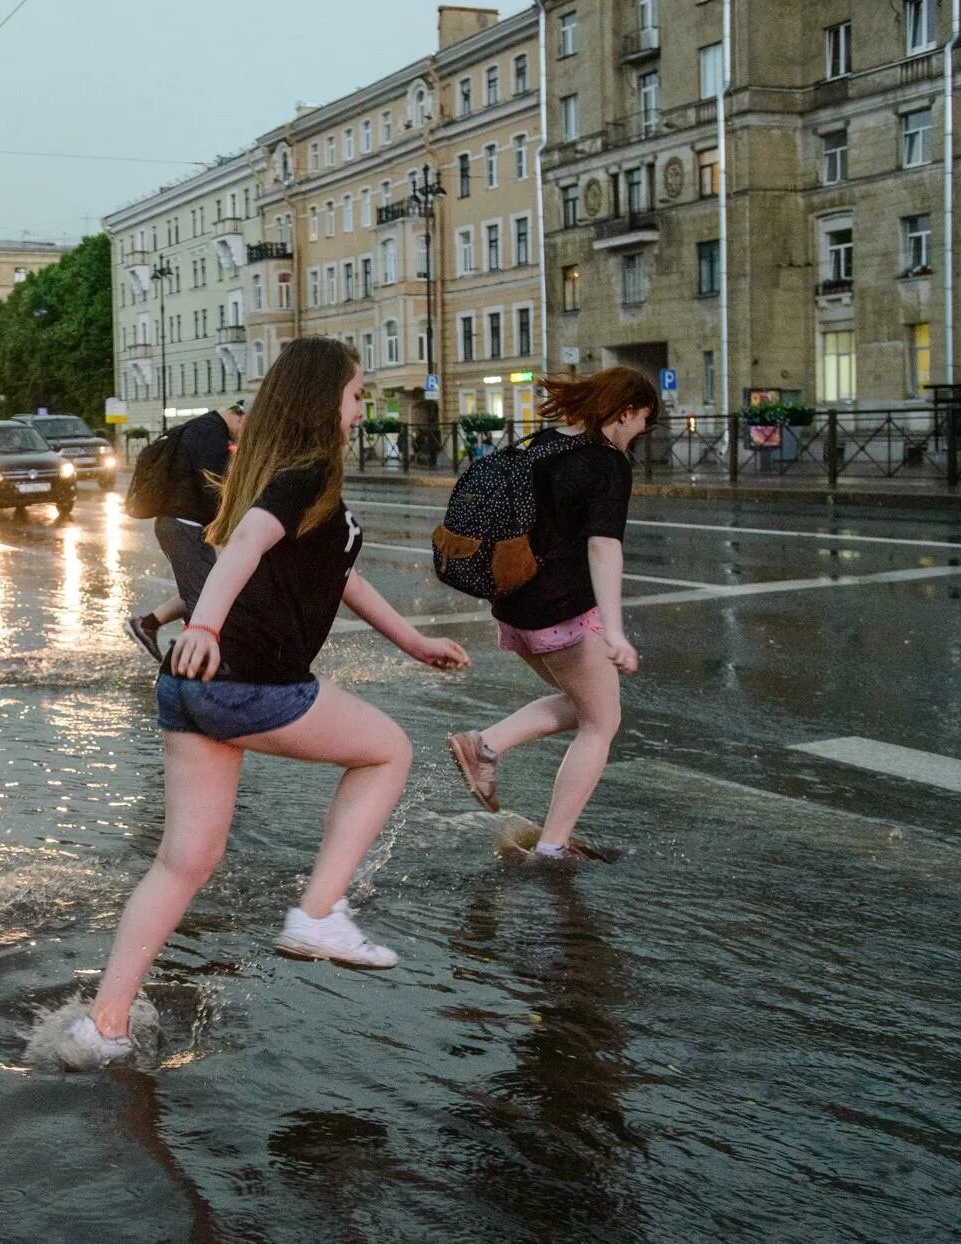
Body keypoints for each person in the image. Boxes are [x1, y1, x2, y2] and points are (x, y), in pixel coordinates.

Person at [63, 337, 471, 1067]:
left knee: (185, 861)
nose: (360, 411)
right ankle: (319, 911)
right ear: (323, 402)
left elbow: (337, 576)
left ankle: (103, 1026)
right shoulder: (303, 472)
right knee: (389, 750)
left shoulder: (273, 476)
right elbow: (245, 542)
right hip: (251, 680)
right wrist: (210, 624)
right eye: (355, 396)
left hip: (191, 688)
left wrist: (411, 641)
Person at [444, 368, 654, 861]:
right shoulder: (607, 463)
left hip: (515, 603)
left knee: (587, 705)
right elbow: (604, 547)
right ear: (625, 411)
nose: (643, 430)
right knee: (601, 724)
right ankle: (550, 842)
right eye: (645, 419)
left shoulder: (540, 444)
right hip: (562, 612)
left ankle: (488, 746)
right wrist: (616, 632)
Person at [124, 399, 246, 659]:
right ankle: (188, 659)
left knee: (207, 588)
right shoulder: (209, 433)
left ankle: (147, 625)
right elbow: (212, 486)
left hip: (182, 524)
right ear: (240, 417)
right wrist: (232, 526)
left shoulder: (206, 428)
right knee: (204, 599)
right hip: (182, 525)